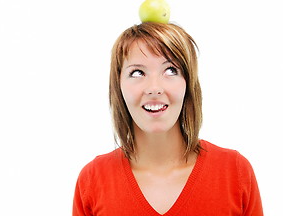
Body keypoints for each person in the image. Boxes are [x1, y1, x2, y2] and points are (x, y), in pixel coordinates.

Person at [72, 22, 263, 215]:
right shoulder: (93, 179)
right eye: (137, 72)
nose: (154, 88)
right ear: (118, 86)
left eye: (171, 70)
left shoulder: (235, 172)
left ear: (188, 83)